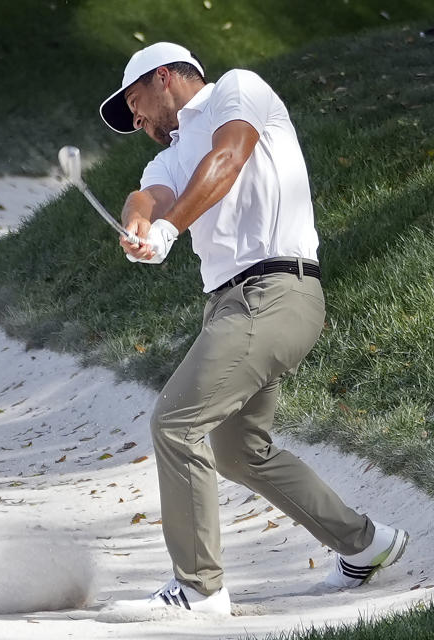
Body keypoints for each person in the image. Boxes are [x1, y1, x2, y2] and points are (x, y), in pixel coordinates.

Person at [97, 42, 409, 619]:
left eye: (134, 100)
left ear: (164, 76)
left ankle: (198, 589)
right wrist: (141, 222)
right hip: (232, 306)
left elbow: (231, 156)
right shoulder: (170, 153)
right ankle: (367, 543)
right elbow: (150, 193)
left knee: (174, 421)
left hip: (276, 291)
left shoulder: (236, 91)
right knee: (240, 453)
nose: (133, 118)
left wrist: (168, 231)